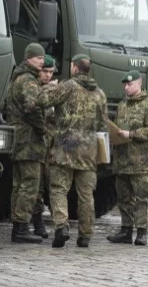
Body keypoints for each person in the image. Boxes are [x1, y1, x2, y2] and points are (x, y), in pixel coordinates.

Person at [37, 54, 108, 248]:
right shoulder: (100, 94)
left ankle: (62, 226)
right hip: (88, 151)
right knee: (86, 194)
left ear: (75, 68)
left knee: (59, 189)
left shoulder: (67, 86)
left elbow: (42, 100)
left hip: (66, 146)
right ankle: (85, 235)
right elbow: (103, 124)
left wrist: (51, 86)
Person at [107, 70, 148, 246]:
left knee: (142, 197)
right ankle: (126, 229)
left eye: (130, 84)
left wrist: (131, 134)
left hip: (140, 162)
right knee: (123, 197)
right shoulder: (122, 105)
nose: (126, 87)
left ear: (139, 83)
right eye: (125, 85)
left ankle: (142, 231)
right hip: (122, 161)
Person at [5, 43, 47, 243]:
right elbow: (33, 107)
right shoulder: (29, 80)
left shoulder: (16, 78)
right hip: (30, 140)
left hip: (18, 139)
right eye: (38, 58)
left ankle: (18, 225)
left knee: (18, 184)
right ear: (29, 58)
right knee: (29, 184)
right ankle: (21, 227)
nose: (42, 61)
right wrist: (42, 128)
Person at [29, 54, 57, 239]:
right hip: (37, 144)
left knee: (54, 186)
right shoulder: (33, 90)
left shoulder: (57, 90)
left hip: (53, 147)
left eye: (50, 72)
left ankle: (59, 224)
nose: (47, 75)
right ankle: (38, 223)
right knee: (36, 186)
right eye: (44, 71)